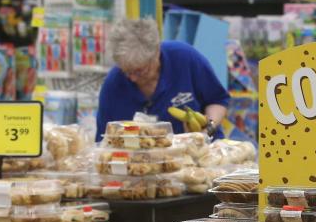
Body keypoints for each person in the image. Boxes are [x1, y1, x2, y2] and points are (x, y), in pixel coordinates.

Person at [95, 18, 230, 140]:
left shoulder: (184, 58)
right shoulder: (113, 85)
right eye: (127, 71)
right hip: (145, 163)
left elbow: (217, 100)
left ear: (156, 53)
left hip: (205, 153)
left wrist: (207, 130)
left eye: (140, 71)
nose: (133, 78)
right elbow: (104, 140)